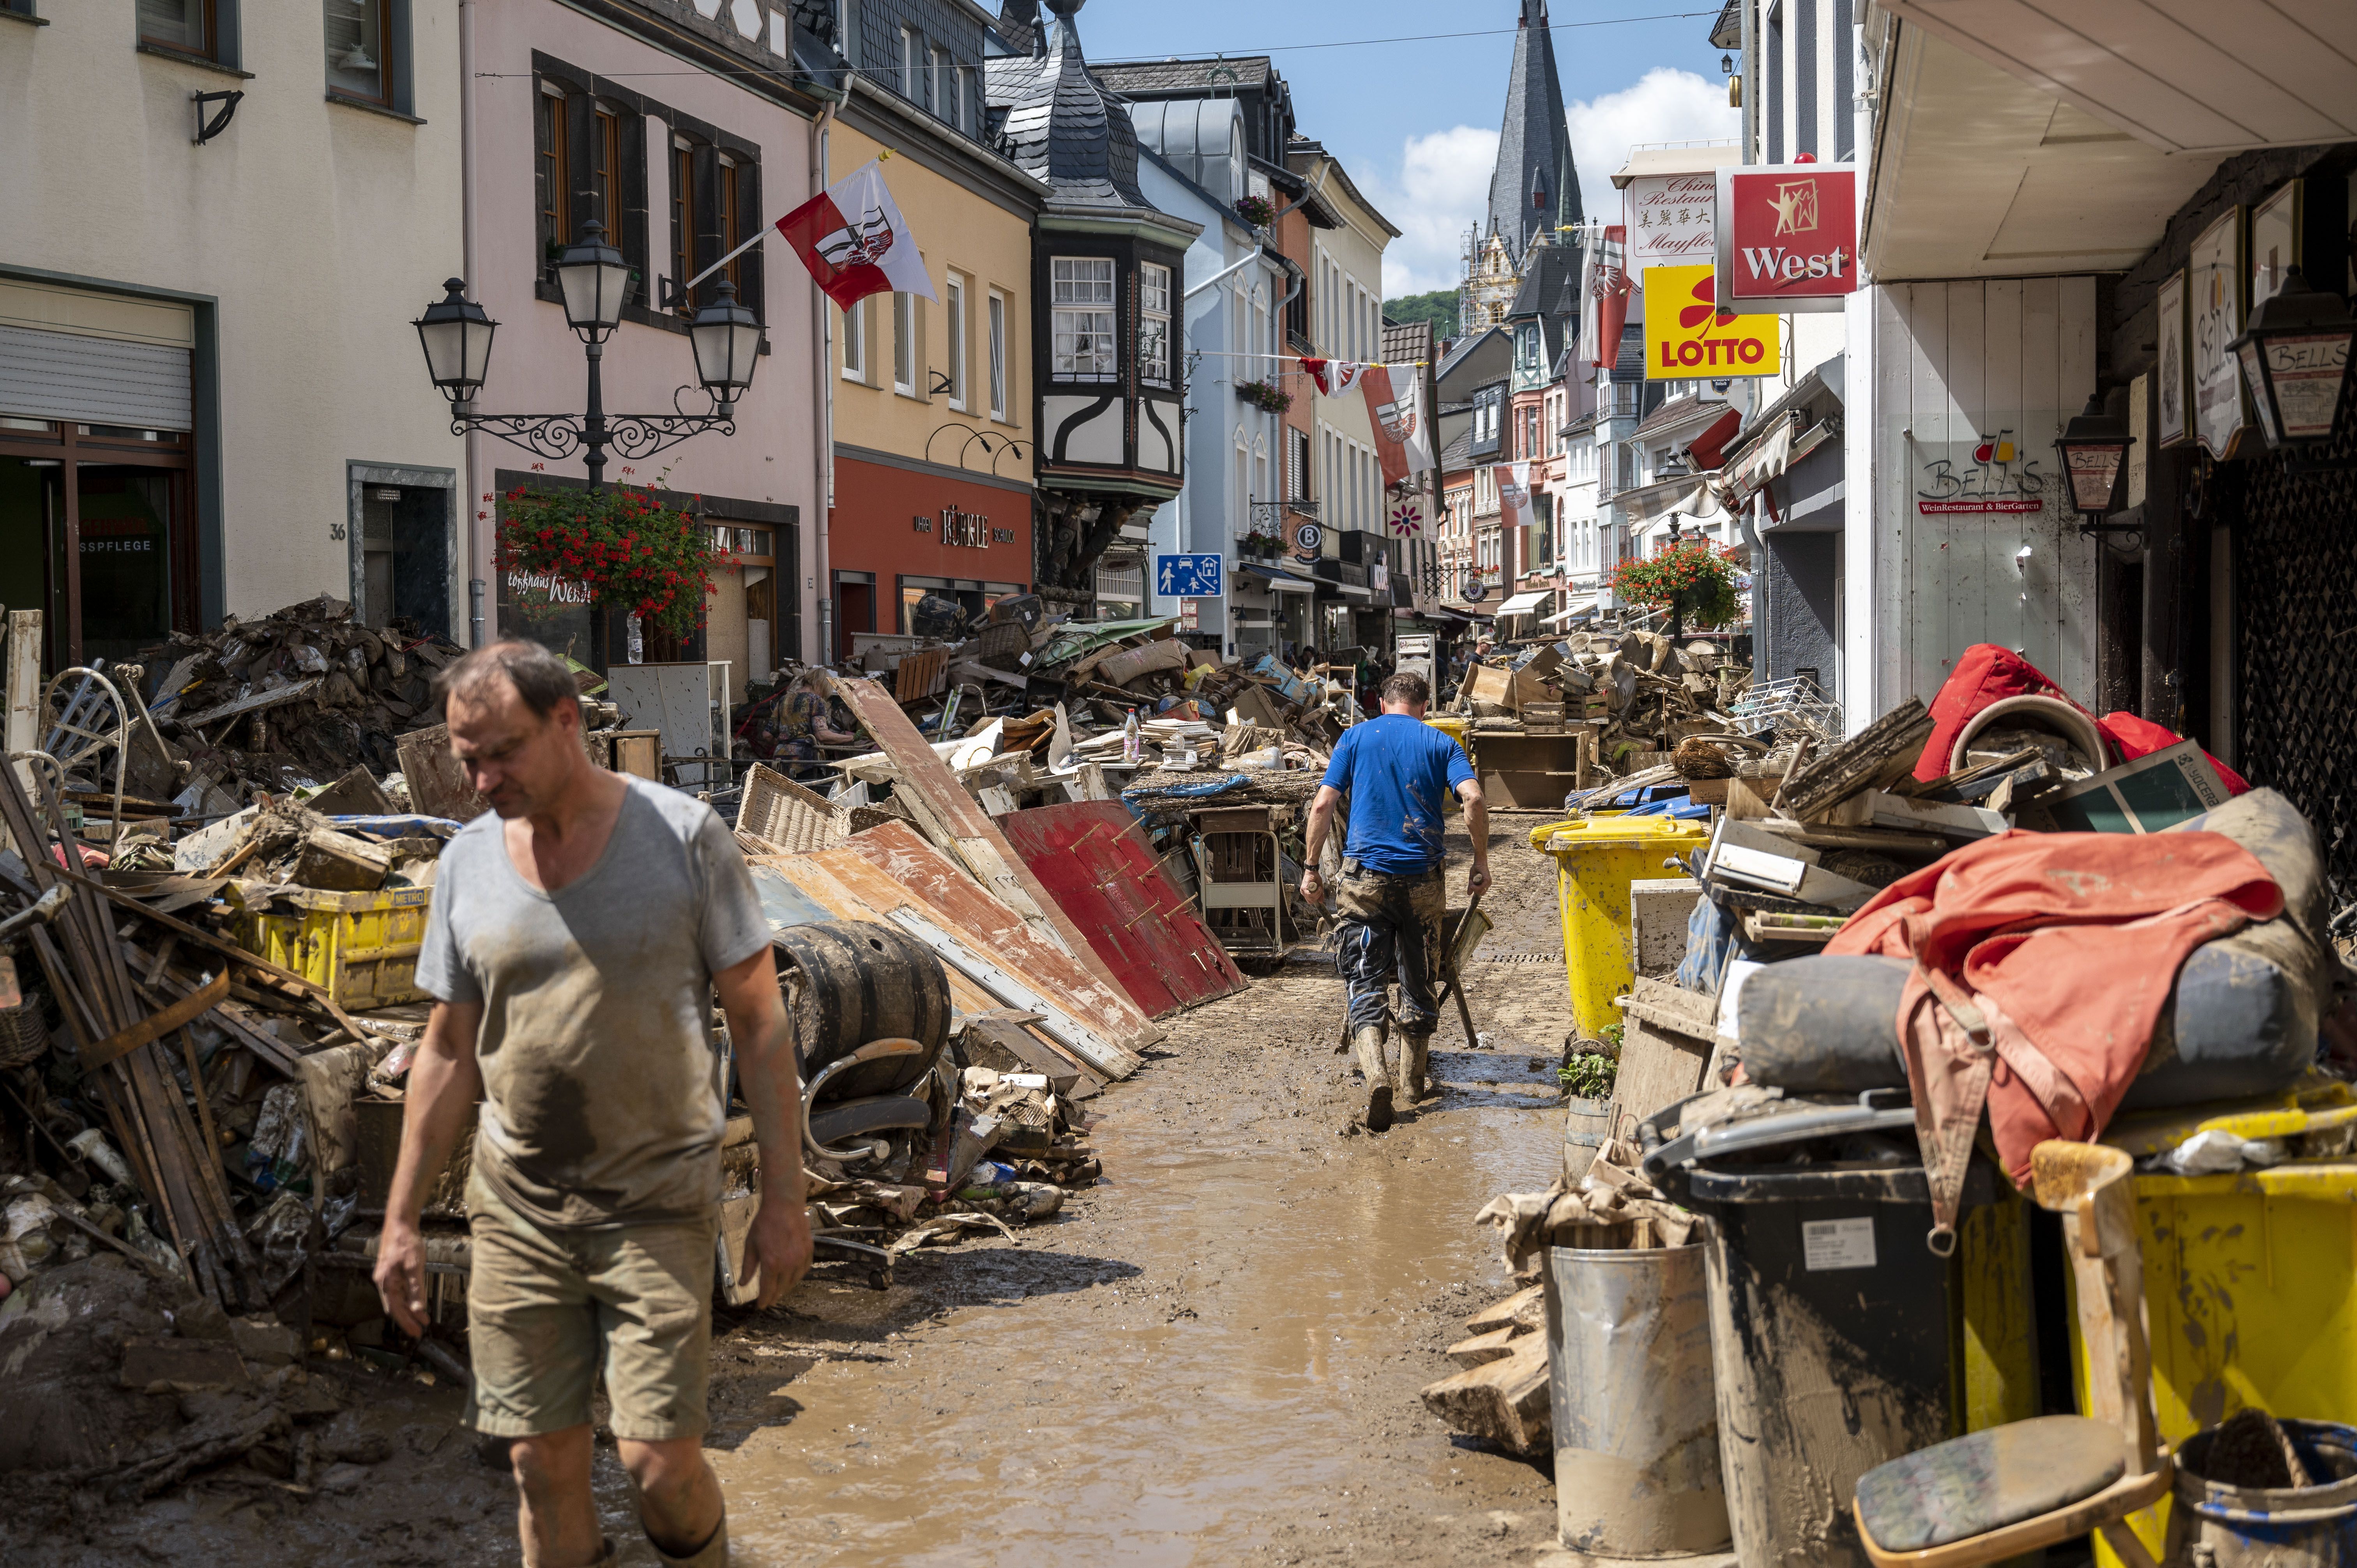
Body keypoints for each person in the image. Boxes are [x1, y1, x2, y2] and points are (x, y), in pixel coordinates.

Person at [375, 640, 811, 1568]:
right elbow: (448, 1047)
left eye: (502, 751)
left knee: (659, 1462)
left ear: (568, 722)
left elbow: (764, 1026)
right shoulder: (465, 864)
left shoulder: (686, 836)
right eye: (466, 755)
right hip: (518, 1205)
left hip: (656, 1200)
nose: (481, 776)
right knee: (538, 1462)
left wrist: (784, 1198)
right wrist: (402, 1218)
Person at [1299, 671, 1489, 1131]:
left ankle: (1377, 1076)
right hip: (1422, 882)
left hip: (1365, 882)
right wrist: (1481, 860)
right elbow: (1474, 798)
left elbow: (1323, 805)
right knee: (1420, 976)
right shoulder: (1443, 744)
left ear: (1384, 704)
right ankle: (1412, 1085)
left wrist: (1310, 869)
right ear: (1425, 706)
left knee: (1363, 977)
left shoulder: (1354, 737)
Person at [746, 668, 862, 778]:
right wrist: (852, 738)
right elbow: (822, 735)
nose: (824, 695)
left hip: (781, 763)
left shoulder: (784, 700)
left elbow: (767, 735)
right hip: (806, 764)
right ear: (818, 684)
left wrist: (785, 745)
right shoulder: (816, 700)